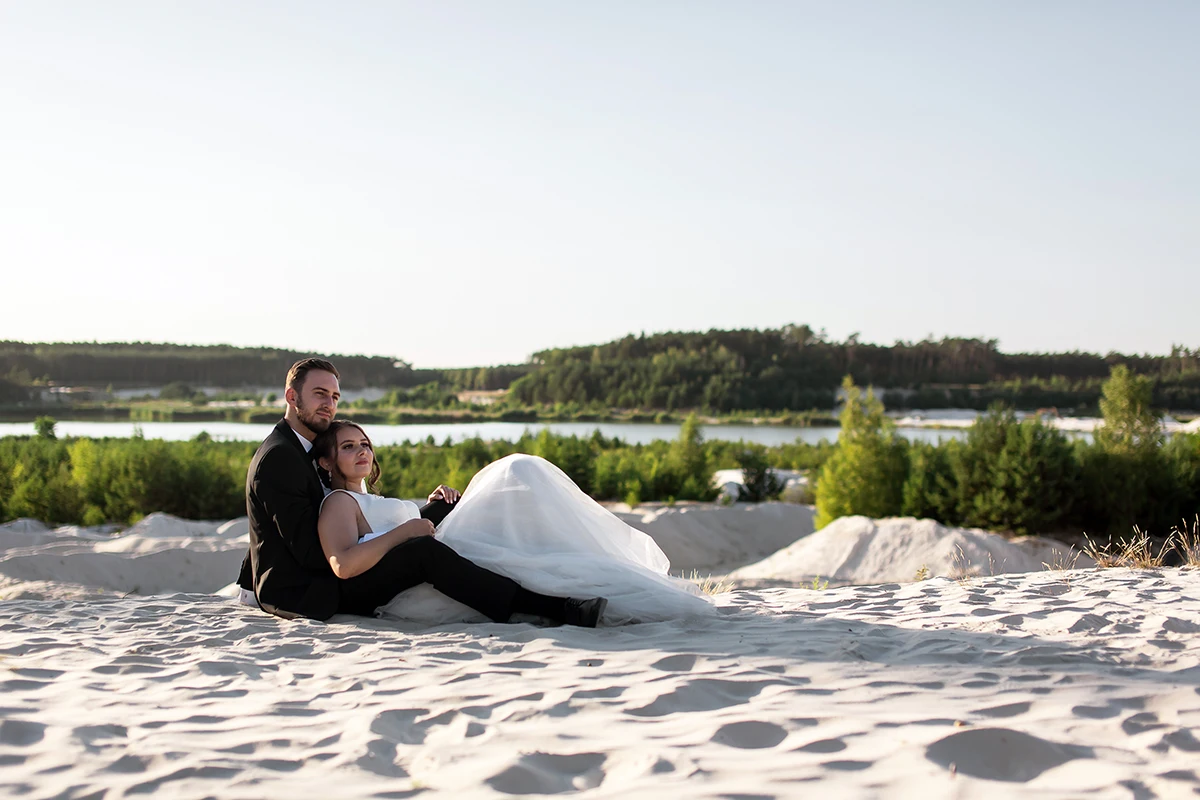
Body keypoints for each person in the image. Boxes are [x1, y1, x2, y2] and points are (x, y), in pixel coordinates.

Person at [239, 358, 606, 626]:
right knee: (422, 552)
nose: (329, 405)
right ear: (292, 396)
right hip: (308, 589)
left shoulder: (305, 448)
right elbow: (312, 553)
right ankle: (552, 608)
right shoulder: (280, 458)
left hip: (340, 561)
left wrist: (417, 516)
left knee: (447, 507)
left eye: (334, 397)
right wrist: (400, 537)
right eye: (320, 394)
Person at [313, 420, 715, 626]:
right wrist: (408, 529)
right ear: (327, 461)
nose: (361, 451)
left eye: (365, 444)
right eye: (348, 447)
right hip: (375, 590)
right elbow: (343, 564)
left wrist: (431, 509)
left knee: (508, 482)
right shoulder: (338, 502)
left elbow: (393, 532)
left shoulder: (369, 498)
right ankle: (553, 608)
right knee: (426, 551)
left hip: (412, 554)